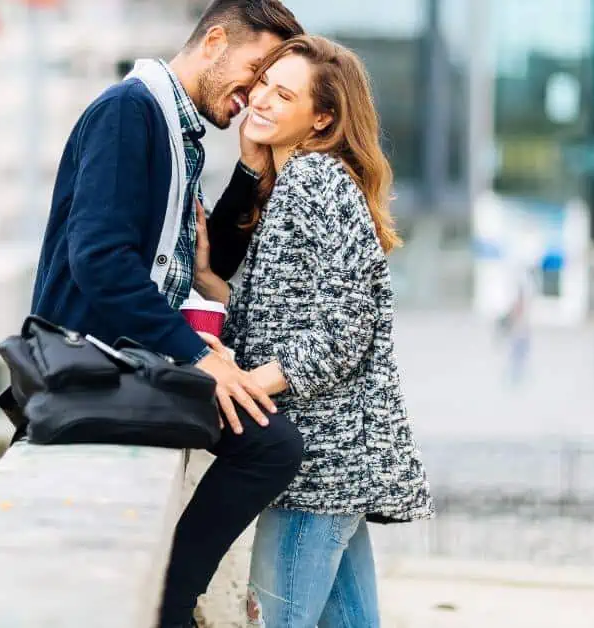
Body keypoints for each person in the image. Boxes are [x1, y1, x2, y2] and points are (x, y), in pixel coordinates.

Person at [27, 2, 305, 626]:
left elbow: (214, 260)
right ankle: (171, 604)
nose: (255, 93)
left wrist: (253, 166)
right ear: (214, 42)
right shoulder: (130, 114)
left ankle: (171, 600)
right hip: (93, 366)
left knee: (271, 440)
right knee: (271, 444)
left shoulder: (178, 132)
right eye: (255, 69)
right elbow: (100, 261)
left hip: (130, 359)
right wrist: (199, 355)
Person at [197, 35, 433, 627]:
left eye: (286, 95)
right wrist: (208, 276)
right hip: (337, 465)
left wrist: (248, 384)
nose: (263, 102)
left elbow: (342, 331)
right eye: (264, 87)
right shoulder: (298, 185)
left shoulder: (313, 181)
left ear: (322, 117)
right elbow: (286, 313)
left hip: (318, 467)